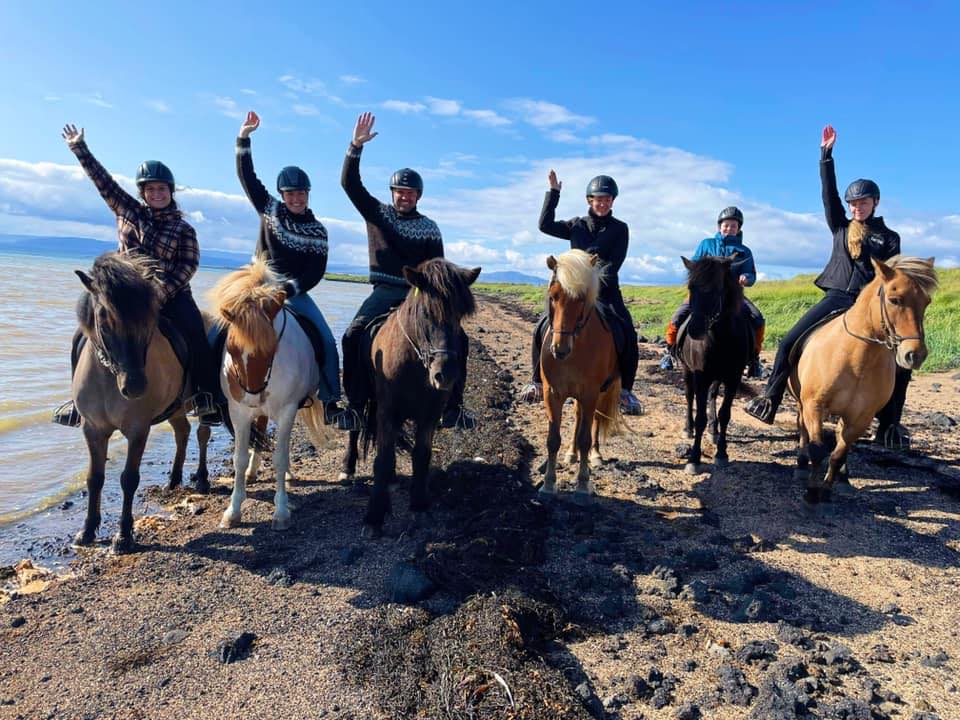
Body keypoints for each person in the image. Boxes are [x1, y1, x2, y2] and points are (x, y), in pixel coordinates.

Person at [745, 125, 909, 447]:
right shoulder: (840, 226)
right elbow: (828, 192)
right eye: (853, 203)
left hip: (871, 307)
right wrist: (826, 156)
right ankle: (770, 398)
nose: (856, 207)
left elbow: (892, 279)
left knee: (902, 363)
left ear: (875, 203)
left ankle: (890, 426)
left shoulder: (890, 238)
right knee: (790, 340)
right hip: (836, 297)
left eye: (862, 202)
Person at [52, 124, 221, 428]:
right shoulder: (127, 210)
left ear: (171, 192)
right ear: (142, 192)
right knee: (83, 331)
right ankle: (78, 402)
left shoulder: (183, 229)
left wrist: (159, 294)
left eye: (162, 189)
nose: (157, 194)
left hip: (170, 296)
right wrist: (80, 148)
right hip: (127, 298)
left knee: (196, 332)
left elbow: (187, 267)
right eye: (150, 189)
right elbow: (103, 182)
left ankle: (204, 397)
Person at [339, 111, 475, 430]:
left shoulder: (430, 228)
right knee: (351, 335)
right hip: (385, 291)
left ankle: (453, 406)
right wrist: (355, 146)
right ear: (392, 193)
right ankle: (355, 406)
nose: (405, 196)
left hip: (419, 295)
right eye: (400, 191)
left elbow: (439, 272)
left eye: (410, 193)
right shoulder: (377, 213)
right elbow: (350, 184)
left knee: (460, 339)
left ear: (418, 196)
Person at [235, 110, 354, 430]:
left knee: (327, 342)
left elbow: (316, 271)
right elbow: (248, 178)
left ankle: (330, 401)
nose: (296, 198)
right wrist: (244, 139)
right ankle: (211, 395)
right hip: (258, 286)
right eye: (290, 194)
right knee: (219, 330)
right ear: (283, 195)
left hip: (293, 292)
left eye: (301, 193)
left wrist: (291, 289)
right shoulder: (269, 209)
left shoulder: (318, 231)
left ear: (307, 195)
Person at [519, 171, 643, 414]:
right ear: (589, 200)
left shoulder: (620, 229)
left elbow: (614, 263)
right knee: (542, 325)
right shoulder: (576, 225)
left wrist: (590, 270)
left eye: (607, 199)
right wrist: (553, 194)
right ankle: (535, 380)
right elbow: (544, 225)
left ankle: (626, 391)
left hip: (605, 292)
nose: (603, 202)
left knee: (627, 331)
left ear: (612, 201)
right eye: (598, 198)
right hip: (573, 292)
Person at [658, 207, 766, 377]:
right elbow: (694, 265)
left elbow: (751, 274)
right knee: (678, 316)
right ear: (719, 226)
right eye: (726, 225)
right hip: (705, 294)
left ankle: (754, 358)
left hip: (733, 295)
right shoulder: (706, 244)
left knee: (757, 318)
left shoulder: (745, 251)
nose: (729, 228)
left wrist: (746, 277)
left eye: (733, 226)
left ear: (738, 229)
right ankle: (669, 351)